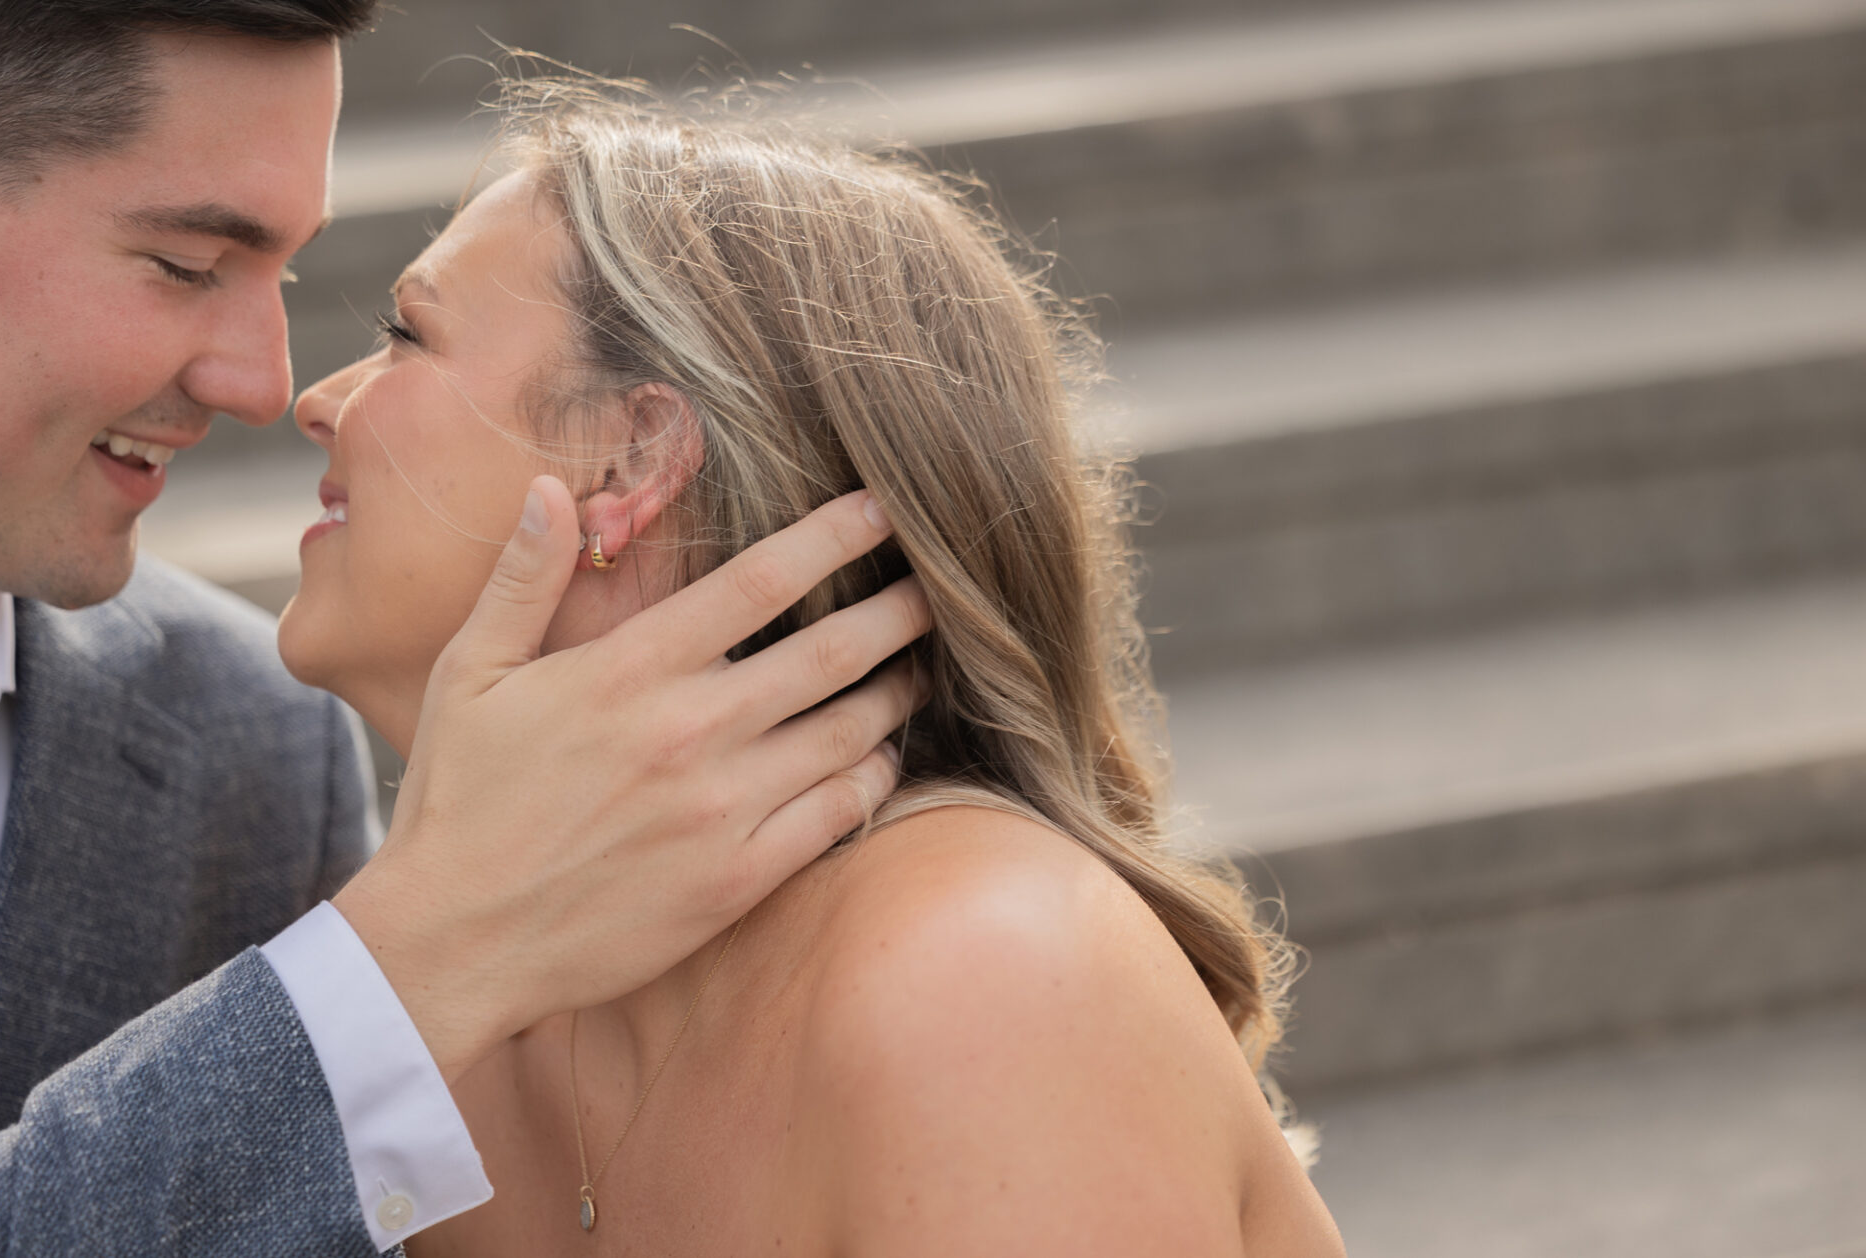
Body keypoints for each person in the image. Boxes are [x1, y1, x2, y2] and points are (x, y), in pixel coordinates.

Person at [274, 78, 1347, 1255]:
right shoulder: (451, 1035)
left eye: (406, 336)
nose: (315, 400)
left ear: (631, 461)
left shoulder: (985, 970)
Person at [0, 4, 927, 1254]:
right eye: (186, 263)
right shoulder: (424, 951)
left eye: (287, 278)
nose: (270, 386)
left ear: (640, 458)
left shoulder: (254, 748)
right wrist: (401, 974)